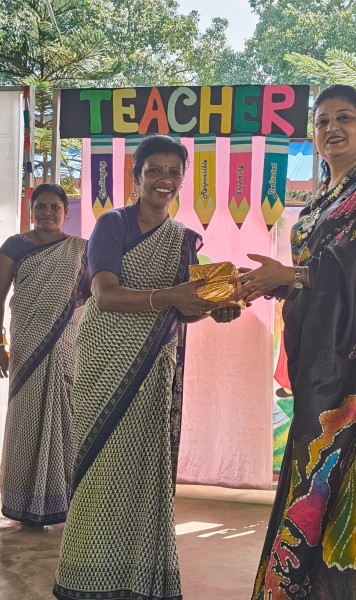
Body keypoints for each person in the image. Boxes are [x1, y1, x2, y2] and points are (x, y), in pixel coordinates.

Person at [231, 84, 356, 600]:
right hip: (321, 353)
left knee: (346, 468)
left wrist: (292, 276)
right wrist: (270, 283)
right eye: (322, 121)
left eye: (345, 118)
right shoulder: (317, 198)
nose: (332, 128)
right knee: (312, 463)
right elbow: (314, 276)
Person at [53, 134, 240, 600]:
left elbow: (185, 307)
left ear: (182, 179)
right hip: (104, 360)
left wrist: (216, 308)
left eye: (174, 172)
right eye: (154, 170)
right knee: (100, 468)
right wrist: (172, 297)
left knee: (141, 470)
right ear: (136, 176)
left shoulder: (181, 239)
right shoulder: (112, 224)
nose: (164, 179)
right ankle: (86, 576)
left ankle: (137, 577)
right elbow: (105, 294)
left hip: (153, 367)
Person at [0, 183, 90, 525]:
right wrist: (0, 344)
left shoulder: (80, 249)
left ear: (66, 212)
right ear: (31, 210)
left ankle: (62, 499)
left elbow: (95, 295)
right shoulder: (15, 246)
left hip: (66, 346)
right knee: (25, 418)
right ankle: (23, 501)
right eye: (41, 206)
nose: (48, 212)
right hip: (26, 345)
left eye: (55, 207)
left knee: (65, 418)